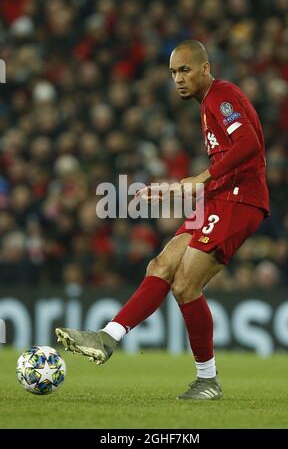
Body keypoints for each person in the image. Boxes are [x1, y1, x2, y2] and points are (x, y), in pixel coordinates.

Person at [55, 40, 270, 400]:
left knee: (186, 284)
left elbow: (248, 143)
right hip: (219, 197)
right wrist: (175, 189)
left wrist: (201, 178)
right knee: (162, 263)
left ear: (205, 67)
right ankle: (108, 337)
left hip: (240, 200)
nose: (178, 79)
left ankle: (208, 380)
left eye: (184, 70)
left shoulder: (222, 96)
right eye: (173, 73)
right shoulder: (206, 106)